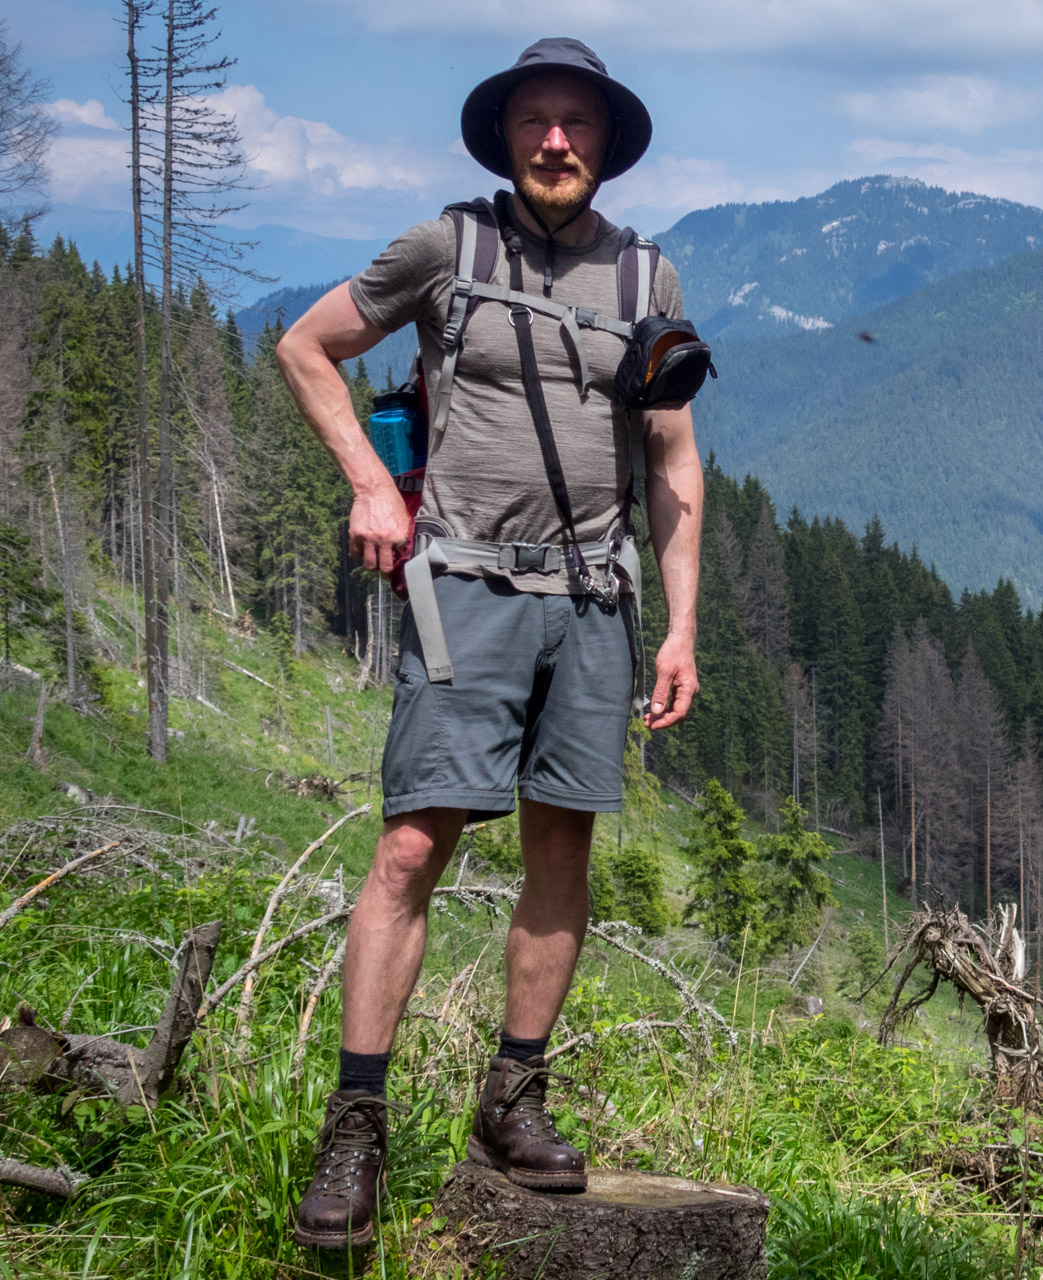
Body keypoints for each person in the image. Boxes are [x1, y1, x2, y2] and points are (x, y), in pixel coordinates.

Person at [275, 38, 703, 1249]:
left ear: (606, 144)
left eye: (576, 123)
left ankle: (511, 1095)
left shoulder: (648, 284)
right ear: (504, 136)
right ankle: (357, 1123)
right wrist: (368, 480)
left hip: (594, 603)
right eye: (535, 120)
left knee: (558, 843)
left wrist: (681, 626)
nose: (555, 140)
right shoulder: (443, 250)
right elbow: (305, 348)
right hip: (458, 583)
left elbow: (673, 463)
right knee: (414, 840)